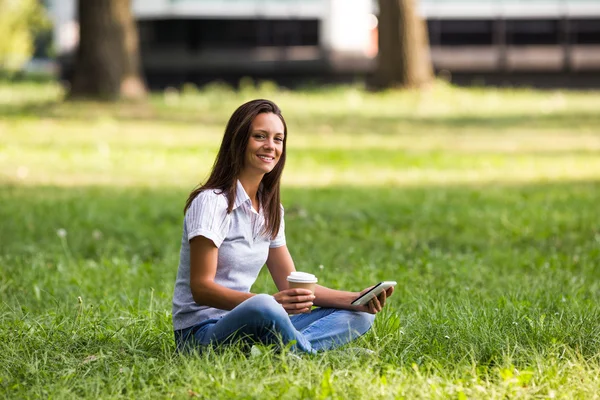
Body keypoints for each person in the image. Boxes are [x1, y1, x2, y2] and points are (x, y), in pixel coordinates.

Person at [172, 99, 394, 354]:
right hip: (200, 334)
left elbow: (291, 287)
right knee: (264, 305)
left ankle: (284, 350)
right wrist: (268, 304)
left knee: (360, 317)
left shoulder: (270, 210)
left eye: (278, 139)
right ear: (239, 140)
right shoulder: (211, 202)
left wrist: (355, 299)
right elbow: (201, 289)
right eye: (260, 136)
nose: (270, 146)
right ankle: (306, 352)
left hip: (253, 325)